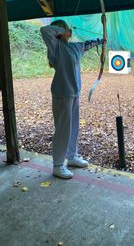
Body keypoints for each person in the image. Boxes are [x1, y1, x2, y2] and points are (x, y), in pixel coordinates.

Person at [40, 19, 103, 179]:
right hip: (61, 93)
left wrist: (101, 40)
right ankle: (58, 165)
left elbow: (87, 45)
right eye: (65, 29)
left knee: (73, 127)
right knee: (63, 129)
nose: (69, 31)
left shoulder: (75, 47)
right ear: (60, 32)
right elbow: (45, 30)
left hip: (74, 93)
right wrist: (62, 30)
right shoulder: (55, 47)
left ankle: (72, 156)